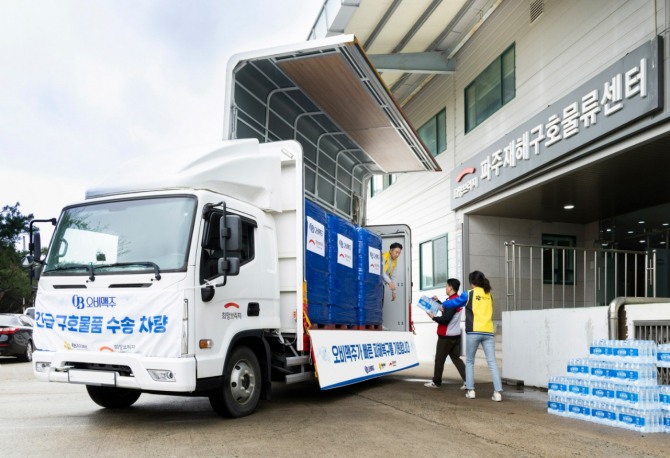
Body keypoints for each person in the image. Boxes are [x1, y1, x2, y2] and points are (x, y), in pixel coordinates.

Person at [439, 270, 503, 402]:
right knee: (492, 362)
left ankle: (471, 390)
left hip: (474, 331)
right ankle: (497, 393)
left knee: (469, 362)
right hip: (488, 332)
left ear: (472, 282)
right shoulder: (489, 295)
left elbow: (454, 302)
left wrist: (442, 304)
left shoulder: (469, 294)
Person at [424, 278, 466, 389]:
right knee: (456, 359)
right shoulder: (457, 300)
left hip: (446, 337)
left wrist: (434, 317)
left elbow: (445, 319)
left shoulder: (451, 302)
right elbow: (447, 310)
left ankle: (436, 382)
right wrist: (438, 302)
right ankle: (468, 381)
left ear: (451, 287)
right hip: (455, 335)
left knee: (439, 359)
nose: (446, 288)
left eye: (447, 286)